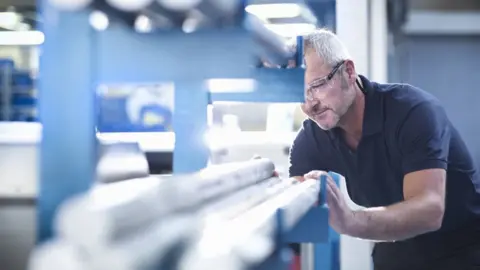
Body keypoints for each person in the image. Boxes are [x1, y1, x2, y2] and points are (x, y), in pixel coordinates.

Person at [289, 29, 480, 270]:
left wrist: (350, 221)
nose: (310, 104)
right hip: (394, 255)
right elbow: (293, 212)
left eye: (317, 85)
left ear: (348, 71)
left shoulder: (413, 112)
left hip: (463, 255)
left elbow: (430, 210)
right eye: (300, 93)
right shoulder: (313, 138)